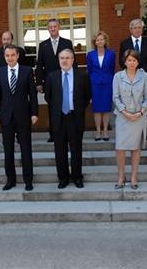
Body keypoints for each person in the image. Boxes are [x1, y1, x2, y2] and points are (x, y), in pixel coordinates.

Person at [0, 45, 38, 191]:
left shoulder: (27, 71)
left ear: (17, 56)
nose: (10, 58)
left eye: (12, 55)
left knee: (26, 149)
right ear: (4, 57)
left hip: (23, 115)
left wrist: (34, 113)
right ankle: (10, 180)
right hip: (6, 117)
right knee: (8, 150)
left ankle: (28, 180)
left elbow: (33, 94)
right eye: (7, 56)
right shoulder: (0, 72)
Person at [46, 49, 91, 189]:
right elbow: (49, 97)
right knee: (59, 150)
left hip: (75, 117)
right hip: (58, 118)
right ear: (59, 60)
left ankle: (77, 177)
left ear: (73, 60)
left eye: (67, 58)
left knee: (76, 149)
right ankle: (63, 178)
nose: (64, 60)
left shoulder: (82, 75)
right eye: (62, 58)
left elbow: (87, 96)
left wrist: (77, 108)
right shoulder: (52, 76)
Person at [113, 50, 147, 190]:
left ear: (138, 62)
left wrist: (141, 112)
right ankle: (121, 177)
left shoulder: (144, 76)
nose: (131, 63)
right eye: (129, 60)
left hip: (139, 117)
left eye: (134, 60)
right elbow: (115, 97)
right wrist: (124, 111)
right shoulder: (118, 76)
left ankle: (134, 177)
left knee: (135, 148)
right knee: (120, 148)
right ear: (125, 62)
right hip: (123, 117)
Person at [36, 18, 77, 142]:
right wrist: (39, 83)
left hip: (66, 80)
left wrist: (75, 79)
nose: (53, 29)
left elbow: (73, 63)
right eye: (50, 27)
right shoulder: (43, 45)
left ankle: (69, 132)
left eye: (55, 26)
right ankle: (53, 134)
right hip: (50, 82)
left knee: (67, 105)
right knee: (52, 108)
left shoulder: (67, 43)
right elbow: (39, 65)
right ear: (48, 29)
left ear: (58, 27)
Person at [119, 19, 147, 140]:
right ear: (130, 29)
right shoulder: (124, 43)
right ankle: (131, 130)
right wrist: (131, 71)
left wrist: (142, 70)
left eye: (140, 27)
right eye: (135, 28)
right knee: (130, 103)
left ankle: (146, 132)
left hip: (144, 78)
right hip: (129, 79)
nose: (137, 30)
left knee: (145, 103)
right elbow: (121, 61)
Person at [86, 31, 115, 141]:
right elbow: (89, 70)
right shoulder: (90, 54)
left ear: (105, 41)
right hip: (95, 84)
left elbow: (112, 69)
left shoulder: (111, 54)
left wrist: (109, 79)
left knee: (106, 109)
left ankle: (106, 131)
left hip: (107, 84)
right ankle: (98, 131)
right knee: (97, 109)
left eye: (102, 39)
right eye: (97, 40)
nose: (99, 41)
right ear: (95, 42)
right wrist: (92, 81)